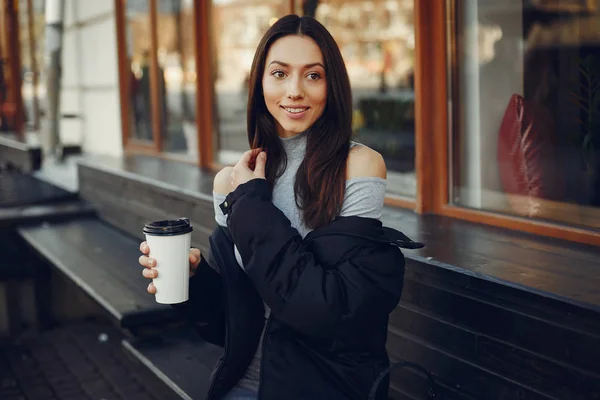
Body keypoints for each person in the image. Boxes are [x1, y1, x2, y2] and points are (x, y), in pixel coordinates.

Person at [139, 14, 421, 400]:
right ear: (259, 84)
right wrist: (195, 279)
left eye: (313, 75)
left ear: (331, 85)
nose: (294, 91)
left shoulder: (358, 167)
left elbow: (323, 309)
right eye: (279, 73)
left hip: (324, 387)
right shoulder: (233, 181)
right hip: (239, 386)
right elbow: (235, 324)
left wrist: (252, 202)